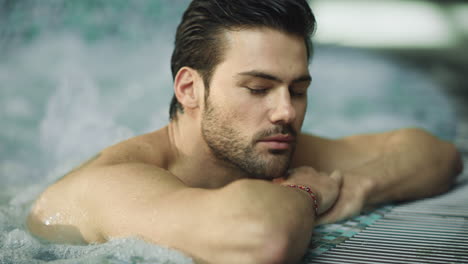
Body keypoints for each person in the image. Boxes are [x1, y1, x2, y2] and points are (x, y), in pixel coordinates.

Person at [27, 0, 463, 263]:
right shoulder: (113, 184)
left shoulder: (261, 142)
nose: (286, 112)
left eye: (298, 89)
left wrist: (360, 189)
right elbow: (261, 240)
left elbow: (436, 154)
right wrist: (307, 193)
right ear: (189, 89)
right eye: (258, 88)